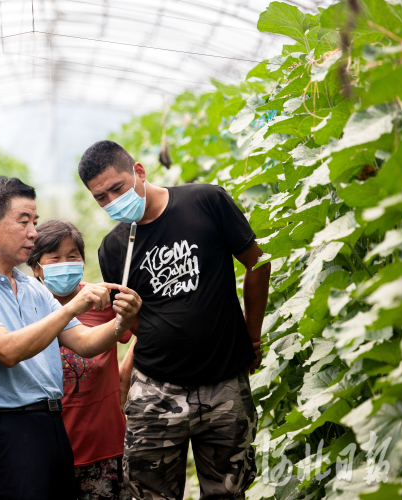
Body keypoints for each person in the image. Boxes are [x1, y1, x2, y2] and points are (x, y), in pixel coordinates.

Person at [78, 140, 271, 500]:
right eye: (101, 198)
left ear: (139, 171)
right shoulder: (115, 247)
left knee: (229, 490)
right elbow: (133, 319)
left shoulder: (206, 202)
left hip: (224, 383)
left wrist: (253, 336)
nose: (112, 201)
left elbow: (257, 263)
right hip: (155, 389)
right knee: (149, 493)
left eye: (117, 188)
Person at [0, 176, 142, 500]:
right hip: (3, 431)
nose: (34, 231)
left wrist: (123, 321)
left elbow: (85, 341)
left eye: (34, 221)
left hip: (50, 425)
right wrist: (73, 306)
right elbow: (6, 350)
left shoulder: (32, 287)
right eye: (24, 221)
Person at [27, 219, 133, 500]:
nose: (65, 263)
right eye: (55, 258)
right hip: (45, 451)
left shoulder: (103, 300)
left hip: (104, 446)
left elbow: (144, 330)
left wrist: (125, 374)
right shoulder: (25, 305)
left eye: (72, 256)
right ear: (36, 266)